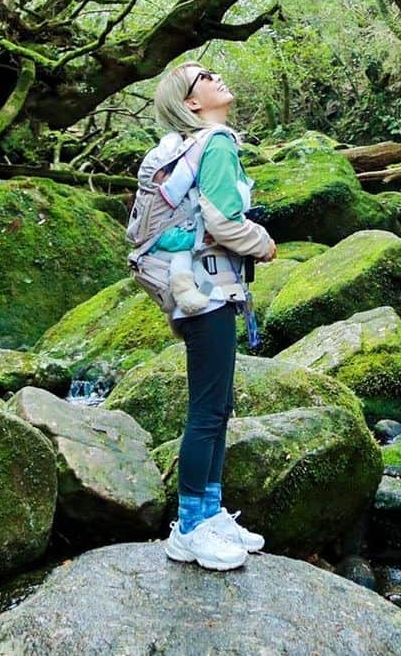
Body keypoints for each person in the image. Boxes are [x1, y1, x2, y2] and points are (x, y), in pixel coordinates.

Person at [152, 62, 277, 571]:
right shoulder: (216, 142)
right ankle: (189, 527)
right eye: (201, 76)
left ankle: (209, 511)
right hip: (205, 292)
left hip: (192, 290)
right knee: (208, 411)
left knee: (218, 406)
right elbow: (223, 220)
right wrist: (264, 244)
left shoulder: (182, 149)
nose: (214, 76)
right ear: (192, 103)